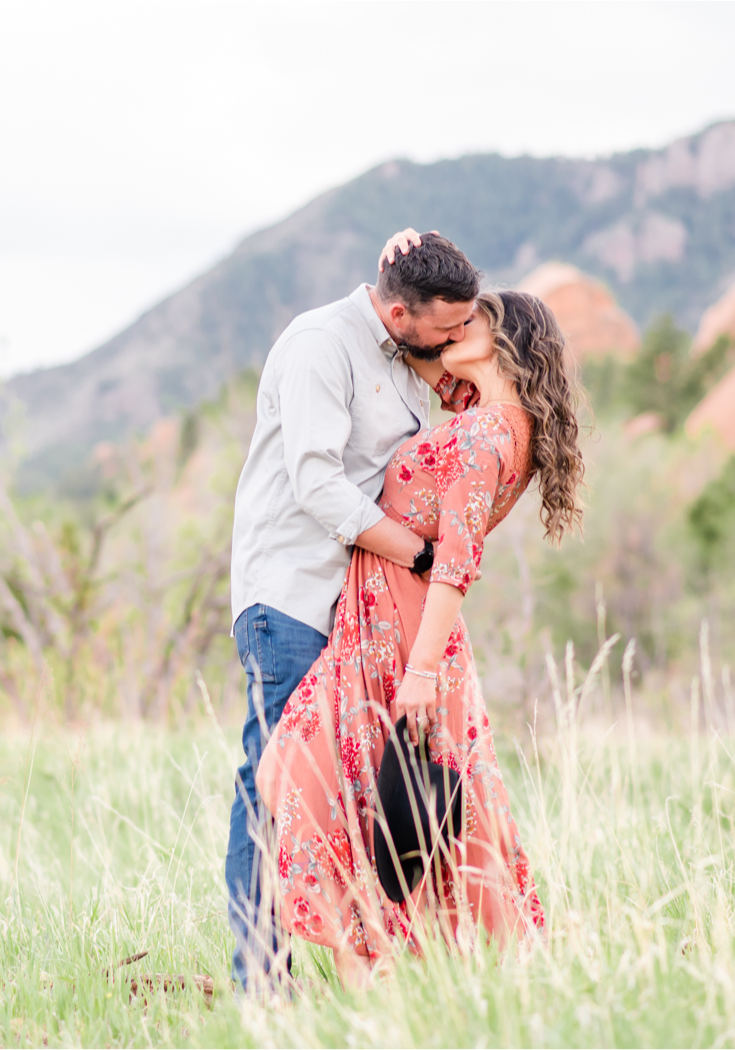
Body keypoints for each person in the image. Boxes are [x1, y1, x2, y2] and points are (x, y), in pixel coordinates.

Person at [255, 272, 585, 990]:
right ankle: (374, 976)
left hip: (403, 624)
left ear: (503, 341)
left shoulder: (488, 434)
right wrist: (396, 288)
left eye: (472, 323)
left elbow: (457, 560)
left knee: (311, 777)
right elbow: (406, 344)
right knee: (343, 786)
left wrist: (422, 671)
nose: (455, 334)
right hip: (379, 615)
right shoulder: (490, 419)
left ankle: (378, 970)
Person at [226, 233, 481, 992]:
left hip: (347, 610)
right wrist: (422, 555)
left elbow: (461, 382)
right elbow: (319, 485)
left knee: (333, 792)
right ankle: (261, 984)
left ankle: (355, 973)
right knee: (274, 785)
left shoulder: (406, 347)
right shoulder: (319, 346)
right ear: (399, 314)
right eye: (446, 328)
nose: (456, 339)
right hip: (291, 599)